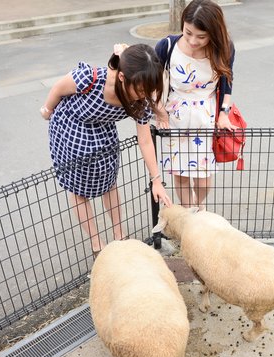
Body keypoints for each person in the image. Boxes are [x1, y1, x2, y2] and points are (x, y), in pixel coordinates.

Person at [40, 43, 172, 256]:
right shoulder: (91, 79)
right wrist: (46, 110)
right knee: (78, 188)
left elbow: (145, 140)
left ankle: (119, 236)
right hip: (71, 125)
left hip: (102, 127)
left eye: (148, 90)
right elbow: (58, 88)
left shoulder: (140, 100)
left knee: (109, 179)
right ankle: (96, 243)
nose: (143, 95)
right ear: (122, 78)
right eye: (139, 90)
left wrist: (156, 180)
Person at [155, 0, 236, 209]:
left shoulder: (224, 48)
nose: (192, 40)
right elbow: (152, 82)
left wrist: (224, 113)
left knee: (203, 177)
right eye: (188, 32)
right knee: (180, 173)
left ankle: (198, 207)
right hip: (174, 116)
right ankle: (190, 214)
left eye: (201, 36)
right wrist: (160, 112)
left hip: (206, 117)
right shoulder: (167, 46)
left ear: (213, 33)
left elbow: (227, 82)